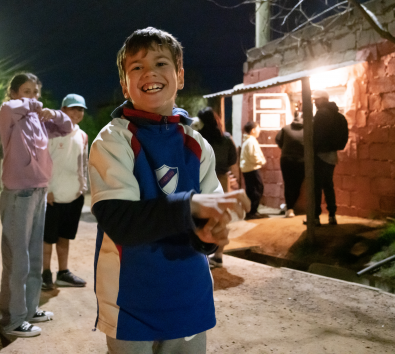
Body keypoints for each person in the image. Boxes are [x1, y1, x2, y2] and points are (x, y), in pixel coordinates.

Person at [89, 27, 250, 353]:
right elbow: (120, 220)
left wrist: (208, 234)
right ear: (125, 85)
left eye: (161, 63)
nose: (149, 72)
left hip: (189, 295)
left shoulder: (197, 144)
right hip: (130, 300)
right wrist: (191, 207)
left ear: (179, 75)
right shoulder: (112, 140)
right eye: (136, 67)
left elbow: (208, 224)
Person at [0, 72, 73, 338]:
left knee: (34, 257)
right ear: (15, 93)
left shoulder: (38, 120)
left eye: (36, 92)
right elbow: (9, 108)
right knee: (17, 259)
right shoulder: (8, 116)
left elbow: (67, 127)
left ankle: (29, 309)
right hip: (19, 193)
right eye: (26, 91)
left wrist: (54, 114)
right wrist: (34, 106)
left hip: (39, 191)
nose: (33, 97)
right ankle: (12, 319)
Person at [42, 94, 89, 291]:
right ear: (63, 109)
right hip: (52, 196)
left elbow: (83, 162)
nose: (77, 113)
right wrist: (47, 190)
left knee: (64, 237)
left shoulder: (83, 135)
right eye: (73, 108)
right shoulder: (51, 131)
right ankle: (45, 274)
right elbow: (42, 161)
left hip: (74, 195)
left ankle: (63, 273)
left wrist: (83, 187)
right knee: (47, 238)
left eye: (81, 109)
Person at [197, 106, 239, 269]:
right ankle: (219, 255)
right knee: (220, 216)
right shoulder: (226, 138)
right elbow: (232, 160)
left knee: (201, 217)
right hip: (221, 180)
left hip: (201, 179)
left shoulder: (198, 138)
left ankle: (202, 255)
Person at [309, 89, 348, 226]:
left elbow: (315, 135)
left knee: (316, 187)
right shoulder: (338, 116)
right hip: (332, 155)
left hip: (319, 155)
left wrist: (313, 149)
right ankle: (332, 215)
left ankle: (315, 218)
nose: (314, 102)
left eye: (316, 100)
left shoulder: (320, 114)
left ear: (322, 100)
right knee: (328, 185)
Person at [275, 112, 304, 218]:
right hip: (302, 160)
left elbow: (278, 140)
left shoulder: (285, 128)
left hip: (286, 159)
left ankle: (290, 209)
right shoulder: (308, 129)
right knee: (298, 184)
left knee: (288, 184)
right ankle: (291, 206)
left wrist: (286, 148)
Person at [240, 121, 266, 219]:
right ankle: (252, 212)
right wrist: (261, 161)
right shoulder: (251, 141)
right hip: (252, 168)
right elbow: (253, 156)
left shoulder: (249, 140)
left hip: (249, 168)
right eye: (258, 128)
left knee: (252, 190)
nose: (260, 130)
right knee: (257, 189)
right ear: (253, 130)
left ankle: (251, 212)